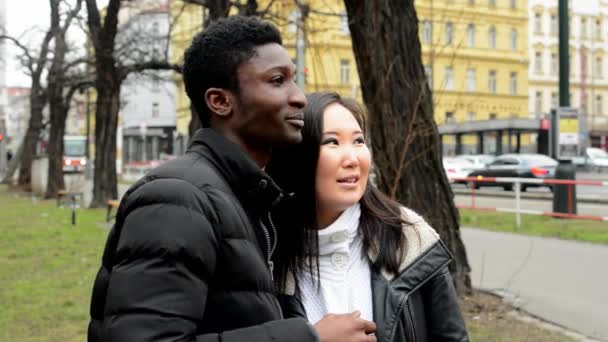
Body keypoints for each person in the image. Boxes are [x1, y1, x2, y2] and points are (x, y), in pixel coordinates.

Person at [87, 18, 376, 342]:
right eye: (278, 80)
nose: (300, 98)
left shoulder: (247, 198)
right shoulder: (176, 198)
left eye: (295, 80)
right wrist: (310, 338)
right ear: (221, 101)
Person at [268, 92, 469, 342]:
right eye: (332, 142)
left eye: (359, 141)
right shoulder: (266, 251)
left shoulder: (409, 236)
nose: (352, 158)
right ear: (297, 156)